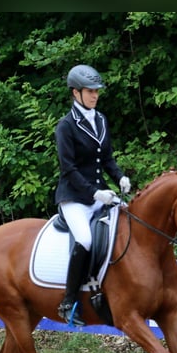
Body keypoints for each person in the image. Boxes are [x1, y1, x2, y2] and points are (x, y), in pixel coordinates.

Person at [54, 64, 131, 326]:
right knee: (85, 240)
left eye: (97, 91)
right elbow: (69, 169)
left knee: (128, 221)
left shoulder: (100, 120)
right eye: (90, 91)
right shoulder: (65, 126)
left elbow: (106, 158)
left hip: (100, 195)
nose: (95, 95)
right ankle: (68, 302)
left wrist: (119, 176)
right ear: (76, 93)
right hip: (74, 198)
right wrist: (96, 192)